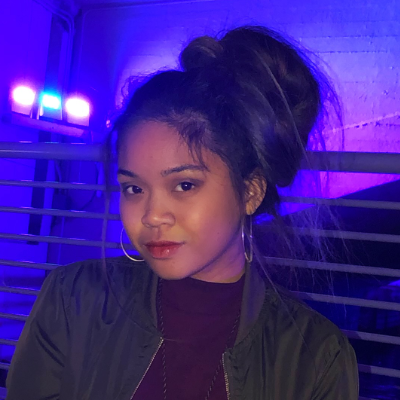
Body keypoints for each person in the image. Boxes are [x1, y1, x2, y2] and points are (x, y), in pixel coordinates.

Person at [6, 26, 359, 400]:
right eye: (134, 188)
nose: (152, 215)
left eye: (184, 185)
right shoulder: (72, 301)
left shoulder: (315, 360)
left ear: (251, 191)